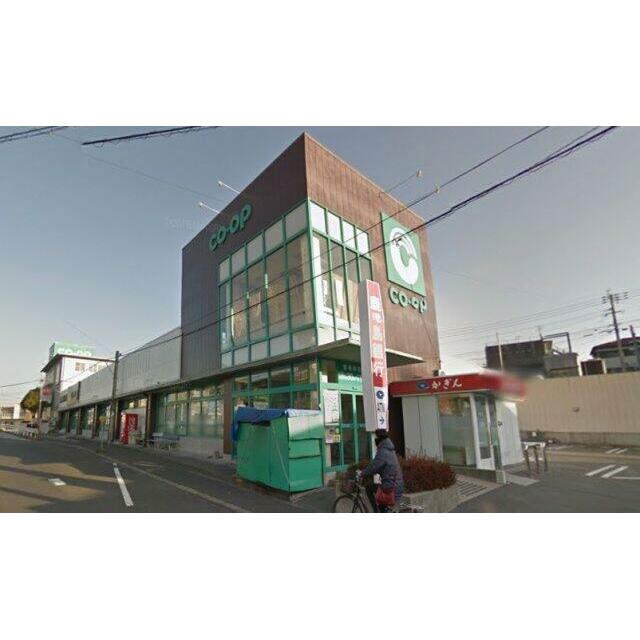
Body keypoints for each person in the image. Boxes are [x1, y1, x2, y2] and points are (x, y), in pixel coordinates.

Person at [360, 429, 404, 512]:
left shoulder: (383, 451)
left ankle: (375, 512)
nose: (375, 440)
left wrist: (361, 474)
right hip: (397, 484)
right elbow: (382, 467)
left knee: (369, 488)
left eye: (376, 438)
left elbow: (374, 467)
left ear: (380, 438)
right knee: (382, 506)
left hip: (391, 486)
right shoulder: (389, 449)